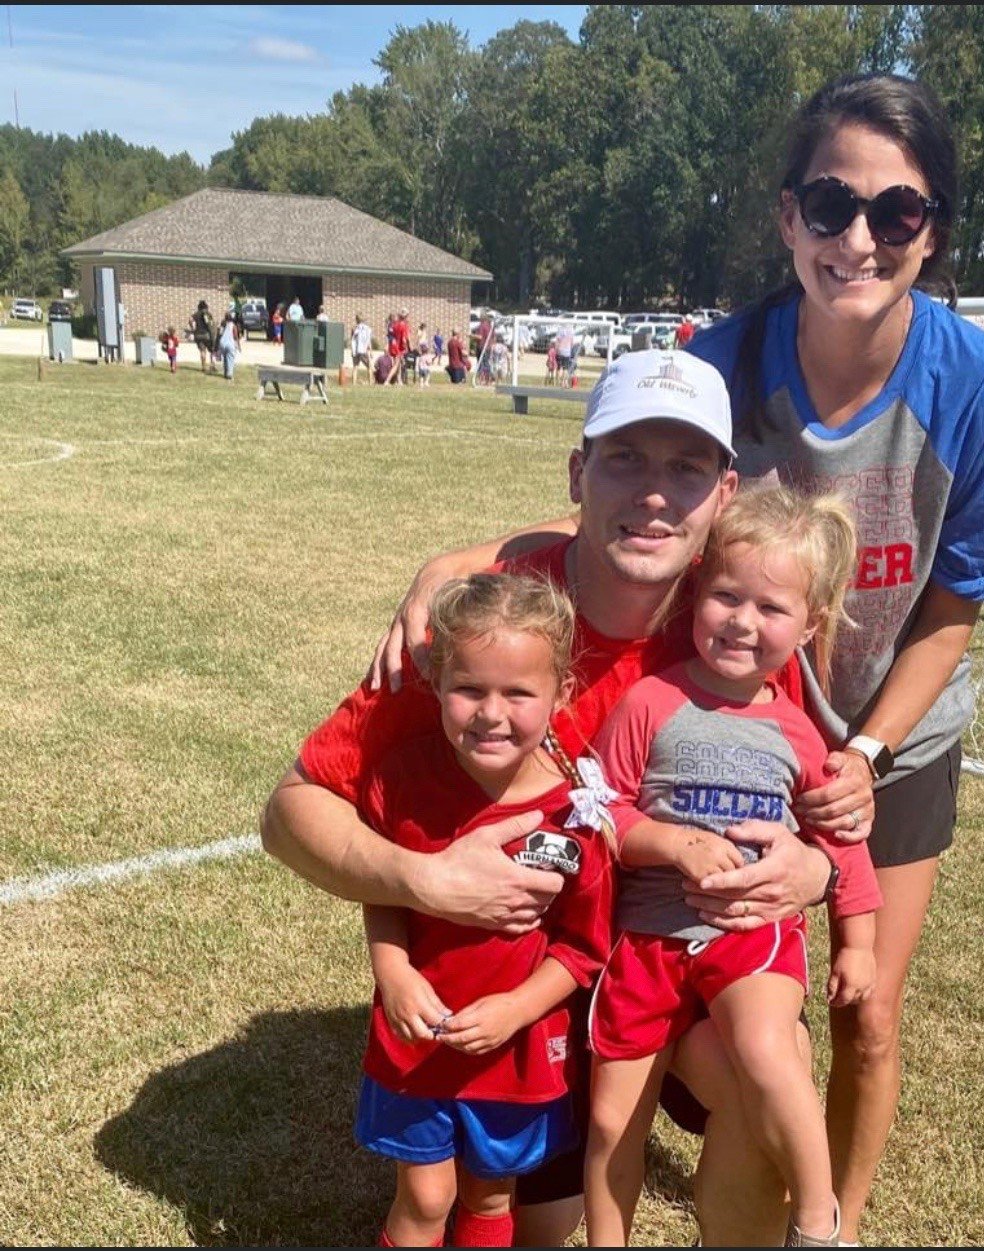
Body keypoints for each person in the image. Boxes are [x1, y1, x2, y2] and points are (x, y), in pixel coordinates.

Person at [360, 72, 984, 1245]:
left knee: (868, 1007)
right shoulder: (719, 361)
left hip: (891, 728)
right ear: (786, 218)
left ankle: (830, 1223)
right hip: (717, 723)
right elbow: (629, 507)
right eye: (830, 205)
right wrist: (450, 562)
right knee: (713, 1011)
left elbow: (953, 605)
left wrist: (865, 757)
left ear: (936, 234)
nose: (859, 238)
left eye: (898, 213)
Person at [262, 350, 833, 1246]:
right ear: (579, 474)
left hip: (668, 972)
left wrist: (817, 864)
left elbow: (808, 799)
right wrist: (422, 878)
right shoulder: (488, 632)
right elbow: (291, 812)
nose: (654, 493)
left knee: (774, 1068)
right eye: (625, 459)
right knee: (530, 1222)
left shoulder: (737, 628)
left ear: (724, 492)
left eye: (684, 467)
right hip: (527, 993)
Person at [584, 484, 882, 1248]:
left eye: (771, 609)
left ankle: (819, 1223)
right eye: (726, 595)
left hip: (750, 936)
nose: (743, 622)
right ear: (696, 593)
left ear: (809, 624)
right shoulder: (650, 700)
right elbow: (602, 808)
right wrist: (669, 842)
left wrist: (858, 941)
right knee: (614, 1123)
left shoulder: (798, 730)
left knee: (766, 1049)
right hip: (645, 941)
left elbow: (840, 841)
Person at [354, 572, 615, 1248]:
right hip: (417, 1039)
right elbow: (382, 892)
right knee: (424, 1191)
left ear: (560, 693)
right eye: (470, 687)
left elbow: (583, 949)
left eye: (518, 692)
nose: (491, 712)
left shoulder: (576, 814)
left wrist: (515, 1009)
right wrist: (395, 973)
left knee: (491, 1193)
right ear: (437, 681)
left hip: (515, 1048)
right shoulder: (401, 780)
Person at [191, 300, 215, 373]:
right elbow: (210, 324)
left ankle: (203, 367)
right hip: (206, 335)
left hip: (198, 335)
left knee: (202, 351)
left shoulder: (195, 314)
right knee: (212, 350)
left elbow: (190, 320)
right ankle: (212, 366)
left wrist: (193, 328)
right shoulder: (207, 314)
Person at [216, 310, 240, 382]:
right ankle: (229, 374)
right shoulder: (233, 325)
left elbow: (219, 334)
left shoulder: (223, 324)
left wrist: (217, 346)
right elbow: (235, 336)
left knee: (225, 358)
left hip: (222, 343)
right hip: (230, 343)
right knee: (230, 358)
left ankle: (225, 373)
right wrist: (238, 345)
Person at [351, 314, 373, 385]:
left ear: (356, 319)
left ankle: (354, 383)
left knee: (355, 366)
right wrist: (371, 351)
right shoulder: (367, 329)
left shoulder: (354, 328)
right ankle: (370, 382)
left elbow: (352, 340)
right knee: (369, 366)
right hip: (363, 350)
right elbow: (368, 340)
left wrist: (352, 350)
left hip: (356, 350)